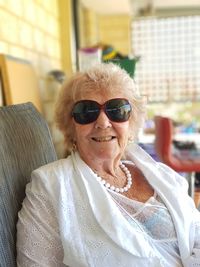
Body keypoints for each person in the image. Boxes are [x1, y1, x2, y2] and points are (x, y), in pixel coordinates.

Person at [17, 63, 200, 267]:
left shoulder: (163, 176)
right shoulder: (50, 186)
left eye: (117, 110)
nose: (103, 123)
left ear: (131, 123)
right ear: (71, 126)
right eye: (87, 111)